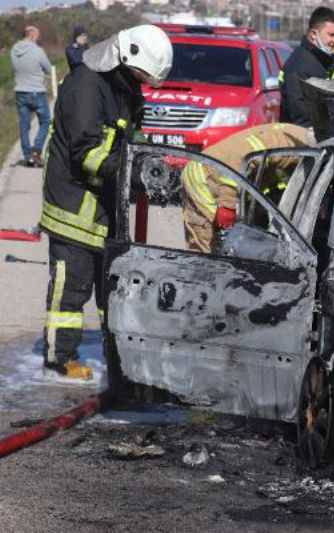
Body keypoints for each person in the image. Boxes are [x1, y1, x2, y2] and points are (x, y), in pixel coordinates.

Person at [39, 25, 172, 379]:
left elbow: (131, 136)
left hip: (103, 207)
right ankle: (59, 359)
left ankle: (116, 359)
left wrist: (148, 162)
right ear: (128, 59)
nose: (144, 83)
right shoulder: (86, 87)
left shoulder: (123, 87)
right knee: (72, 288)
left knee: (110, 290)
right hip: (74, 209)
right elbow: (88, 154)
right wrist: (131, 171)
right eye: (143, 75)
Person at [180, 123, 313, 253]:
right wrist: (228, 205)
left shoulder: (298, 138)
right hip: (203, 176)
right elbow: (238, 159)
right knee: (203, 247)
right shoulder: (288, 143)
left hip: (227, 178)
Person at [279, 6, 334, 141]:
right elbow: (303, 119)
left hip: (329, 139)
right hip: (312, 146)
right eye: (332, 35)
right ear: (313, 34)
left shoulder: (323, 60)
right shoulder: (299, 66)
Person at [10, 26, 52, 168]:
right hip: (37, 92)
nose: (38, 38)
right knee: (46, 121)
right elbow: (47, 68)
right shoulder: (37, 50)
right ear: (32, 35)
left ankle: (27, 156)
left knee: (24, 125)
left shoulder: (14, 50)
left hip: (20, 92)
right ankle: (36, 151)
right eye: (37, 35)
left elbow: (15, 68)